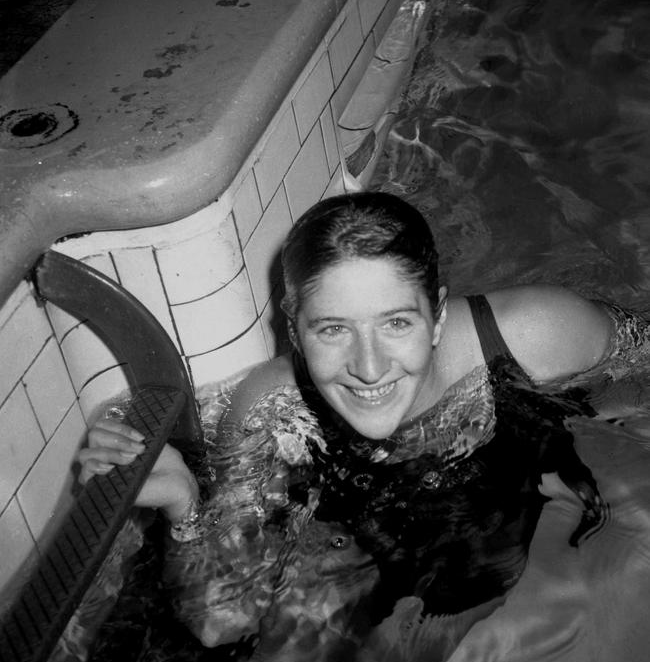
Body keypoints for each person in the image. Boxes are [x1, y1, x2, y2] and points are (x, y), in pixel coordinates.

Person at [79, 191, 648, 630]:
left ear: (440, 315)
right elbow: (222, 623)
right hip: (353, 544)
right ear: (293, 326)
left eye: (397, 323)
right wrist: (184, 506)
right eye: (332, 330)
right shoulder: (267, 412)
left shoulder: (540, 332)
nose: (369, 368)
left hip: (509, 530)